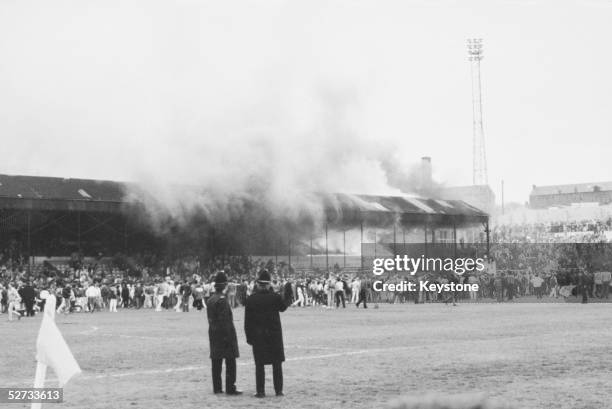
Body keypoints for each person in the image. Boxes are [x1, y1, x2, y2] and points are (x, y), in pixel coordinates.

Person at [244, 270, 288, 398]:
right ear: (269, 284)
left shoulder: (251, 299)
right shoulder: (275, 297)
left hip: (258, 336)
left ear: (257, 284)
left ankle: (261, 391)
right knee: (277, 364)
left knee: (259, 365)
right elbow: (283, 307)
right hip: (274, 336)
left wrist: (249, 338)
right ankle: (278, 391)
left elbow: (247, 322)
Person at [206, 272, 242, 396]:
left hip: (213, 333)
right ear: (225, 286)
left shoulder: (211, 299)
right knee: (230, 362)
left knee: (216, 362)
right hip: (225, 335)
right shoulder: (222, 300)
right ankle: (230, 387)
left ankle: (217, 388)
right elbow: (225, 321)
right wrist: (229, 337)